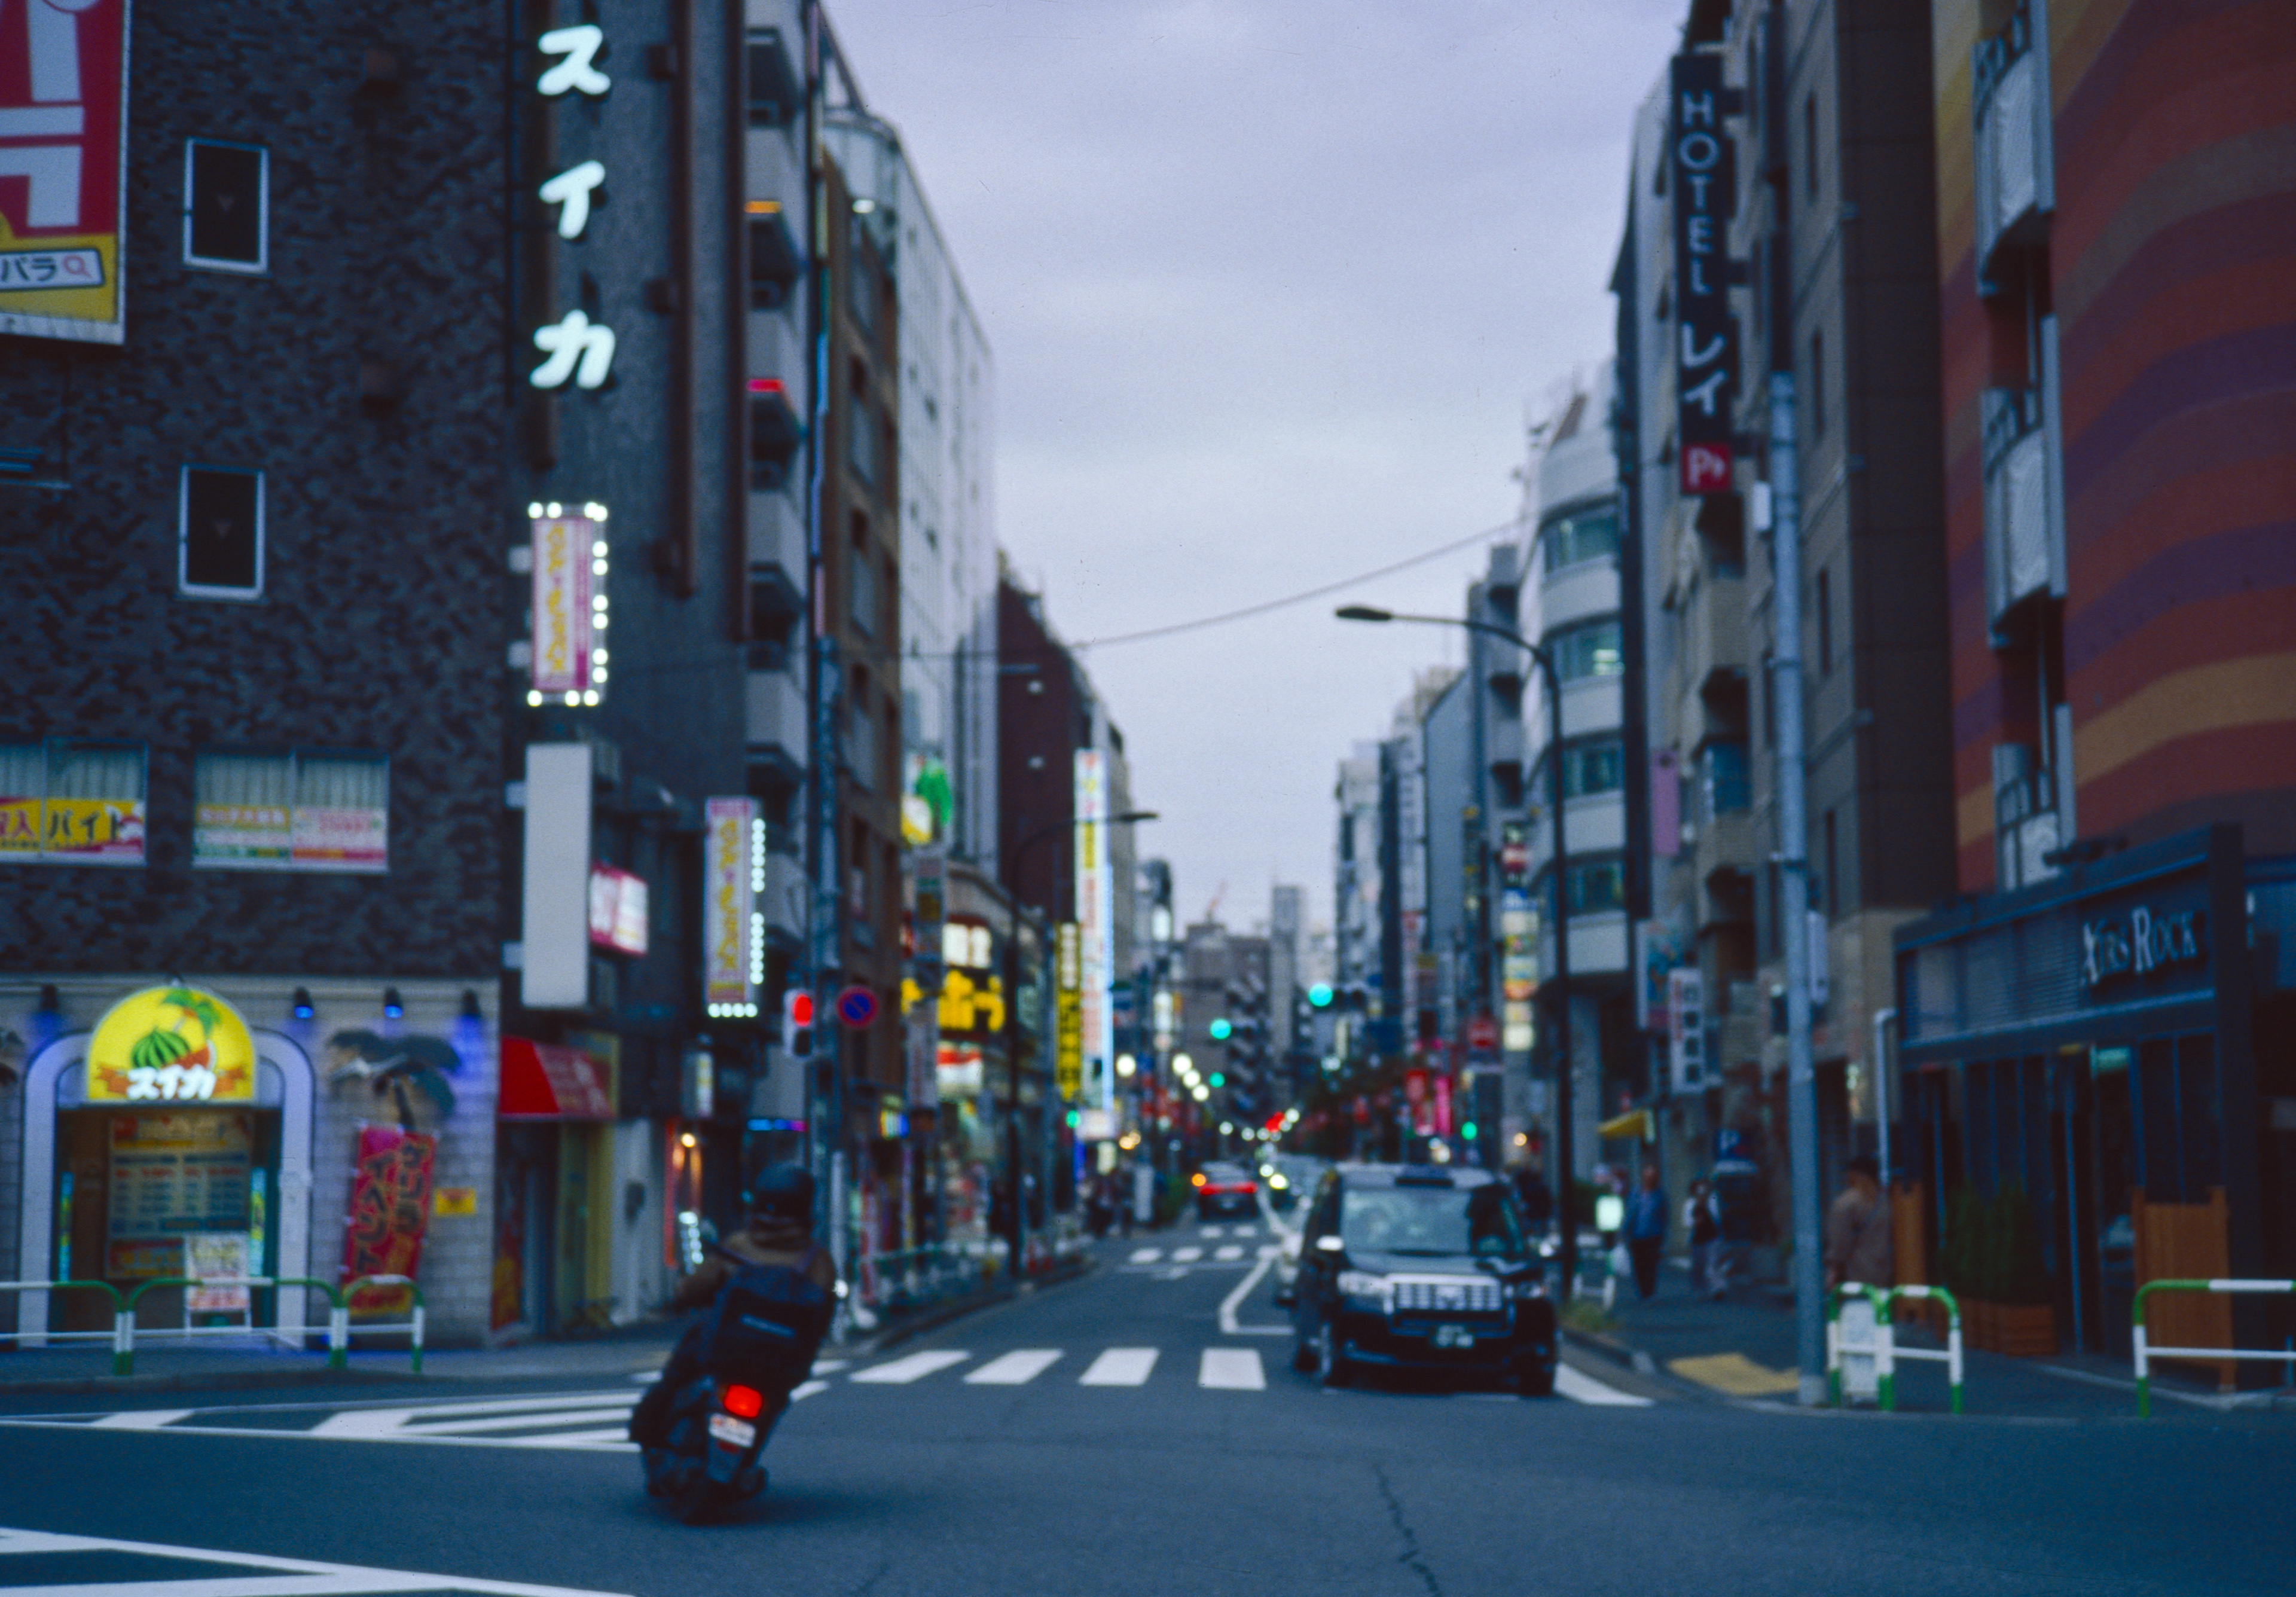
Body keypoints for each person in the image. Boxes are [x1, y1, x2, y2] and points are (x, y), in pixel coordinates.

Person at [628, 1163, 838, 1449]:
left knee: (677, 1373)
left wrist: (680, 1296)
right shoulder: (818, 1260)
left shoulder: (739, 1246)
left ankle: (646, 1429)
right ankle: (744, 1454)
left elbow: (696, 1288)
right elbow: (823, 1316)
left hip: (724, 1352)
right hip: (780, 1365)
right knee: (774, 1402)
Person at [1824, 1153, 1893, 1291]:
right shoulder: (1887, 1202)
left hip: (1857, 1276)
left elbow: (1840, 1242)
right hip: (1886, 1274)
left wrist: (1833, 1270)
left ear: (1854, 1174)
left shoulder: (1846, 1203)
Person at [1623, 1162, 1668, 1301]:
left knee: (1651, 1265)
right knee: (1639, 1265)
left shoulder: (1659, 1195)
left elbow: (1664, 1215)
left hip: (1654, 1235)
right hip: (1636, 1235)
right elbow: (1629, 1213)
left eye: (1653, 1177)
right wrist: (1625, 1231)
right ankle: (1642, 1291)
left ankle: (1650, 1292)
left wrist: (1663, 1233)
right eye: (1647, 1176)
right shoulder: (1636, 1193)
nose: (1650, 1179)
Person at [1683, 1177, 1723, 1297]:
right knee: (1698, 1265)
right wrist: (1695, 1222)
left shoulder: (1712, 1200)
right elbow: (1687, 1222)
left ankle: (1716, 1288)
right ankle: (1699, 1288)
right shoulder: (1690, 1203)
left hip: (1712, 1236)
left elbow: (1718, 1217)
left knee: (1713, 1263)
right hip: (1697, 1238)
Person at [1512, 1160, 1554, 1237]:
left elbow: (1526, 1198)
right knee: (1541, 1227)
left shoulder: (1530, 1188)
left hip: (1533, 1211)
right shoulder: (1542, 1188)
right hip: (1540, 1211)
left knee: (1533, 1227)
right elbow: (1547, 1200)